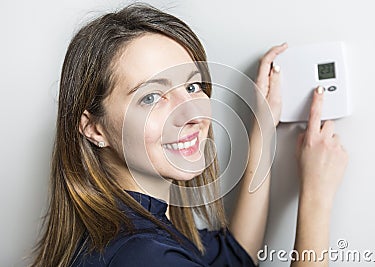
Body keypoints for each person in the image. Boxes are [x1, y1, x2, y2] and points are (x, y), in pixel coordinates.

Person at [31, 3, 348, 267]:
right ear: (93, 127)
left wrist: (264, 125)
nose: (191, 114)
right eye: (151, 97)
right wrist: (317, 198)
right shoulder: (143, 255)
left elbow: (233, 260)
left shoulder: (133, 225)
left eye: (192, 86)